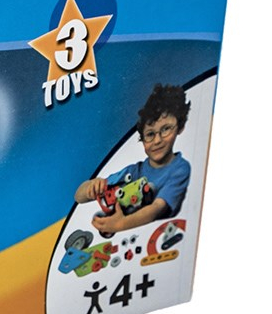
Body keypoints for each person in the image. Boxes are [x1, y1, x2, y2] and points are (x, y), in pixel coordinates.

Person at [76, 84, 191, 235]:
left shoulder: (179, 168)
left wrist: (120, 224)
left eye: (165, 129)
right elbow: (79, 197)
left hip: (163, 233)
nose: (157, 140)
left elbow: (156, 208)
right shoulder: (134, 171)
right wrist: (92, 185)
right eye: (150, 134)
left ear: (180, 127)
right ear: (142, 139)